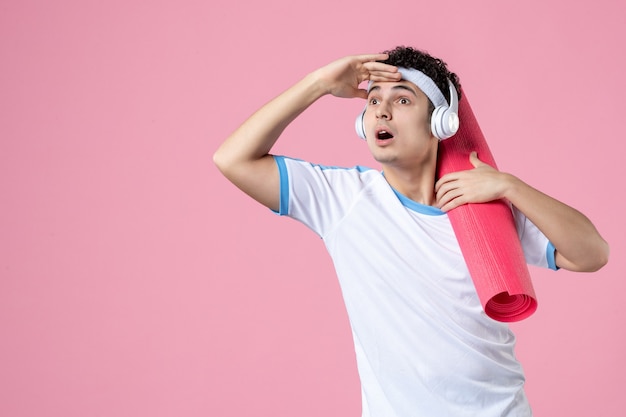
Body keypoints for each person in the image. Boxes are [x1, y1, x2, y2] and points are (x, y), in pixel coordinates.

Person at [213, 46, 609, 416]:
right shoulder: (343, 200)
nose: (381, 111)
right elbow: (233, 159)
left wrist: (510, 187)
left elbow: (592, 253)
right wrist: (319, 83)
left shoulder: (483, 207)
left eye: (402, 99)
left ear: (441, 121)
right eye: (373, 100)